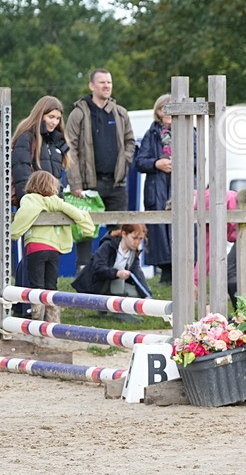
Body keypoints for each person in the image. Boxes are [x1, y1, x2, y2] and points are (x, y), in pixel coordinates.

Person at [64, 69, 136, 269]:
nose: (107, 86)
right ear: (91, 86)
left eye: (109, 82)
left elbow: (130, 142)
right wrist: (75, 183)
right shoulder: (79, 113)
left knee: (118, 232)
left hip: (116, 183)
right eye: (102, 82)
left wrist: (124, 162)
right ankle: (84, 276)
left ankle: (114, 274)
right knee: (85, 231)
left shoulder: (120, 112)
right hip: (87, 185)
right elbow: (69, 149)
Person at [11, 171, 95, 322]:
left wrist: (13, 234)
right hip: (54, 250)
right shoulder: (56, 202)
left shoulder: (30, 199)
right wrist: (88, 228)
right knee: (51, 285)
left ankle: (37, 320)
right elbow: (77, 213)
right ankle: (53, 321)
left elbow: (24, 214)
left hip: (36, 248)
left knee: (36, 286)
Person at [71, 224, 151, 320]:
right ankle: (118, 312)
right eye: (134, 238)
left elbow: (138, 275)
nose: (137, 242)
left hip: (109, 283)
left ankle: (108, 307)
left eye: (140, 239)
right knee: (119, 274)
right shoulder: (108, 245)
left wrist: (146, 295)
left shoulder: (133, 253)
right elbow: (98, 268)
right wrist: (117, 273)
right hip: (94, 285)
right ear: (124, 234)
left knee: (135, 290)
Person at [134, 95, 173, 284]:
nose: (167, 112)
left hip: (179, 186)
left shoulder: (191, 132)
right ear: (157, 111)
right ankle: (165, 272)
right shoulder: (152, 133)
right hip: (156, 187)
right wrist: (157, 163)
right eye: (164, 108)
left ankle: (180, 271)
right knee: (158, 229)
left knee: (180, 227)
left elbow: (199, 160)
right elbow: (140, 161)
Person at [11, 96, 70, 200]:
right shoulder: (26, 138)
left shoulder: (57, 142)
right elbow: (21, 174)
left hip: (52, 204)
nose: (55, 122)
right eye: (51, 117)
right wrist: (27, 202)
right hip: (33, 204)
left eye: (58, 118)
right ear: (40, 115)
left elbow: (58, 181)